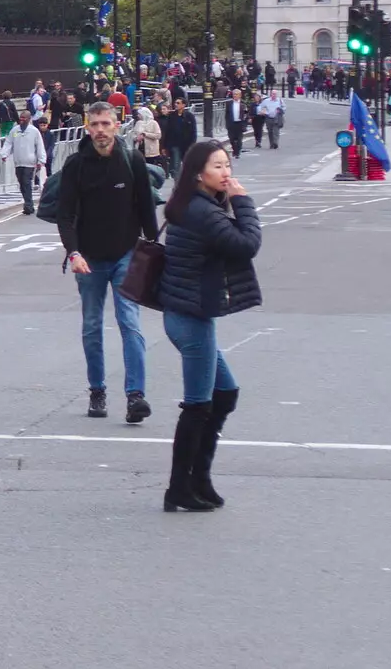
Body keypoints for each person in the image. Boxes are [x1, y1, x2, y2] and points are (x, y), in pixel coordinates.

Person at [158, 139, 263, 512]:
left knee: (225, 394)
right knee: (198, 405)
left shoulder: (195, 204)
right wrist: (243, 202)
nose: (226, 172)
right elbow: (246, 244)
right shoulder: (202, 211)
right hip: (191, 318)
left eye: (228, 165)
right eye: (217, 166)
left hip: (189, 312)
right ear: (198, 172)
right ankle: (179, 488)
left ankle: (198, 477)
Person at [56, 101, 158, 423]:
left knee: (131, 324)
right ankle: (97, 390)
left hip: (126, 254)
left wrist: (154, 249)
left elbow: (146, 209)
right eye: (95, 125)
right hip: (88, 259)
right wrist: (73, 253)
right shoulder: (76, 165)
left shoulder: (132, 161)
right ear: (88, 128)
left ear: (117, 126)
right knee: (92, 326)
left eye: (105, 124)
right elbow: (65, 215)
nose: (100, 130)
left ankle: (135, 395)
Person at [0, 108, 44, 215]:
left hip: (30, 162)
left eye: (24, 118)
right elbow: (9, 143)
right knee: (22, 184)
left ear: (29, 119)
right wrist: (4, 154)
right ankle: (28, 203)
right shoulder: (14, 130)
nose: (21, 120)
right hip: (18, 162)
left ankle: (28, 206)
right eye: (20, 118)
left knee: (26, 182)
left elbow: (39, 146)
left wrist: (41, 160)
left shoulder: (34, 131)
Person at [161, 98, 197, 177]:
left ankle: (186, 179)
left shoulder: (189, 116)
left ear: (183, 105)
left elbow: (193, 132)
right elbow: (167, 131)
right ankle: (176, 181)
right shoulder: (172, 116)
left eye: (178, 103)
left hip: (186, 145)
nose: (176, 104)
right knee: (175, 165)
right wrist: (164, 146)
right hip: (175, 145)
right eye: (175, 103)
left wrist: (193, 145)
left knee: (186, 164)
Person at [224, 89, 247, 158]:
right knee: (231, 139)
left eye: (237, 94)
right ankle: (235, 150)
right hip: (231, 123)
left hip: (240, 123)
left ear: (240, 95)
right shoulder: (229, 103)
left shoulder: (243, 103)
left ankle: (237, 153)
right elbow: (227, 114)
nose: (235, 96)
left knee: (239, 139)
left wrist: (245, 123)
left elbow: (246, 114)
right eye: (234, 94)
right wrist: (227, 123)